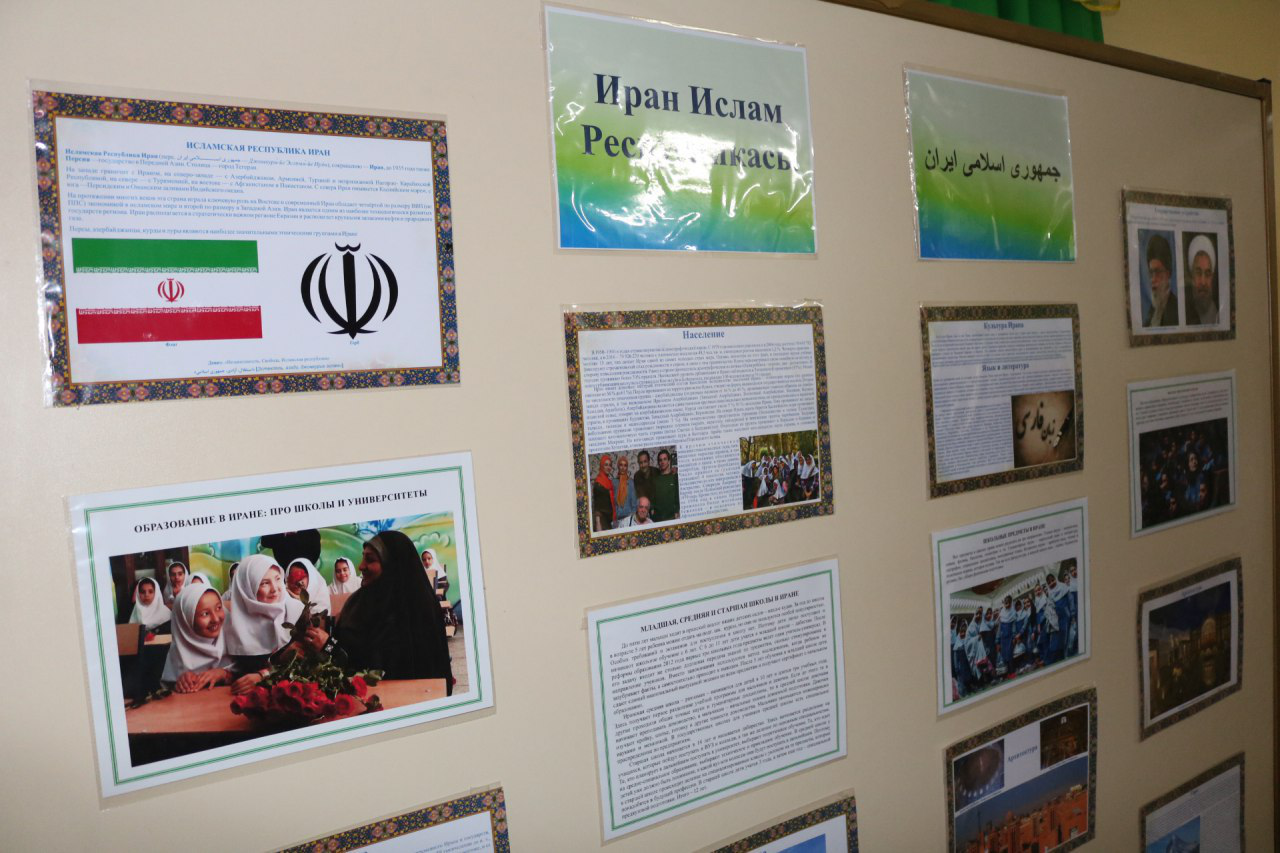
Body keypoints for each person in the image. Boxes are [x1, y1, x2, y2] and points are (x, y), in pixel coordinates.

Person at [301, 530, 453, 689]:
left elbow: (374, 670)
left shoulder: (415, 612)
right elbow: (346, 644)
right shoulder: (360, 601)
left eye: (370, 559)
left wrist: (328, 646)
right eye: (363, 557)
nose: (361, 566)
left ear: (392, 565)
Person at [224, 554, 303, 695]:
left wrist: (265, 675)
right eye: (264, 583)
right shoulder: (234, 624)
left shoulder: (299, 612)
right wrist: (224, 673)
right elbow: (240, 670)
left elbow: (307, 662)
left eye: (277, 579)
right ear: (247, 589)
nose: (275, 589)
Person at [162, 585, 233, 693]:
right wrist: (181, 683)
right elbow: (169, 691)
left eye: (219, 608)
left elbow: (248, 673)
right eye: (205, 614)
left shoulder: (235, 641)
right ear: (186, 620)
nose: (215, 619)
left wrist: (224, 673)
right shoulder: (178, 653)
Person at [1142, 233, 1177, 327]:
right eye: (1151, 273)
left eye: (1157, 272)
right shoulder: (1151, 313)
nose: (1153, 279)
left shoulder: (1177, 310)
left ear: (1168, 274)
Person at [1185, 234, 1220, 325]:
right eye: (1198, 273)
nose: (1203, 282)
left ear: (1212, 278)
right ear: (1192, 276)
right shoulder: (1186, 314)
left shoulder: (1219, 316)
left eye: (1207, 274)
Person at [592, 454, 616, 531]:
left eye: (610, 465)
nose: (608, 467)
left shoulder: (609, 482)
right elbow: (597, 506)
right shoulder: (598, 483)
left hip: (609, 519)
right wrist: (598, 523)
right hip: (602, 520)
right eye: (606, 465)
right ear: (602, 466)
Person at [613, 455, 637, 523]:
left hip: (629, 519)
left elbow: (634, 504)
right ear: (618, 466)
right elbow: (612, 503)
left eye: (625, 465)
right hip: (616, 519)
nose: (623, 468)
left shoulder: (631, 483)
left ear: (627, 467)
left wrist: (631, 520)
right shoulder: (613, 482)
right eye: (621, 465)